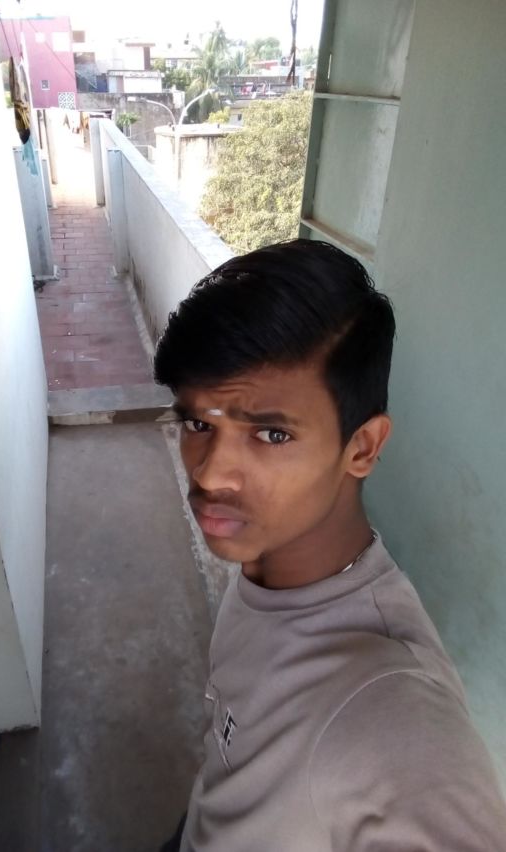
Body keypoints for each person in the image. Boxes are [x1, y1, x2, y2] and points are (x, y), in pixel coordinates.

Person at [153, 240, 506, 851]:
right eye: (198, 424)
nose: (209, 473)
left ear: (362, 448)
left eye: (271, 434)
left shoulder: (388, 708)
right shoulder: (268, 564)